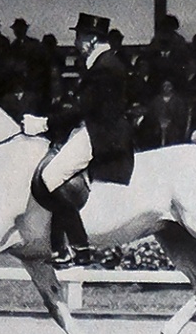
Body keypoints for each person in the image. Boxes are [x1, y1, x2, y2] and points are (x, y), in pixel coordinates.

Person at [22, 13, 135, 267]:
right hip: (96, 128)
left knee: (49, 177)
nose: (75, 42)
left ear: (91, 39)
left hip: (102, 135)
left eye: (78, 36)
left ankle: (78, 247)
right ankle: (62, 246)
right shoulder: (103, 63)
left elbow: (84, 109)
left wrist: (44, 123)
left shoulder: (104, 67)